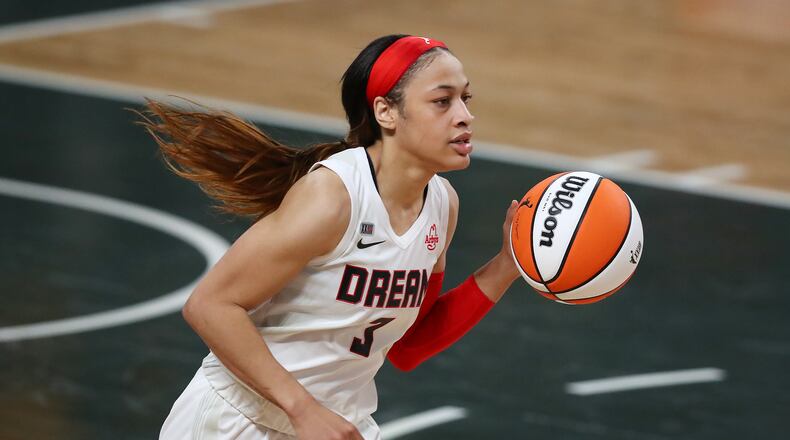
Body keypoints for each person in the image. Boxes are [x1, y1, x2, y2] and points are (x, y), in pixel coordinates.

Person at [141, 34, 521, 440]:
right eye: (442, 101)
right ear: (386, 112)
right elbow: (210, 305)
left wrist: (505, 266)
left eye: (466, 98)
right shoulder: (332, 197)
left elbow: (409, 346)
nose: (464, 116)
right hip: (240, 421)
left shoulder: (442, 205)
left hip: (334, 424)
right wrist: (303, 409)